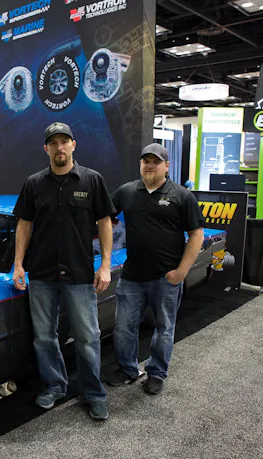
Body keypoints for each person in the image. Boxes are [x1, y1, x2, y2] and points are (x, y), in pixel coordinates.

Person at [12, 122, 115, 420]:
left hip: (79, 274)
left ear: (73, 145)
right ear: (46, 148)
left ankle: (93, 393)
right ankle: (55, 385)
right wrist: (18, 264)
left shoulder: (92, 180)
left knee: (87, 337)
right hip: (41, 274)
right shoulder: (34, 183)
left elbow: (105, 222)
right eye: (54, 143)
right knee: (44, 337)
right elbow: (24, 225)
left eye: (64, 142)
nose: (60, 147)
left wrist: (105, 265)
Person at [106, 143, 204, 395]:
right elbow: (104, 215)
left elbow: (197, 235)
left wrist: (181, 272)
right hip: (131, 276)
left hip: (166, 278)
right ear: (140, 164)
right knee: (124, 327)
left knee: (164, 329)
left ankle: (157, 373)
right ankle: (127, 369)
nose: (150, 165)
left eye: (156, 161)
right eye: (146, 161)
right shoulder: (127, 191)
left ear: (167, 166)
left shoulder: (181, 196)